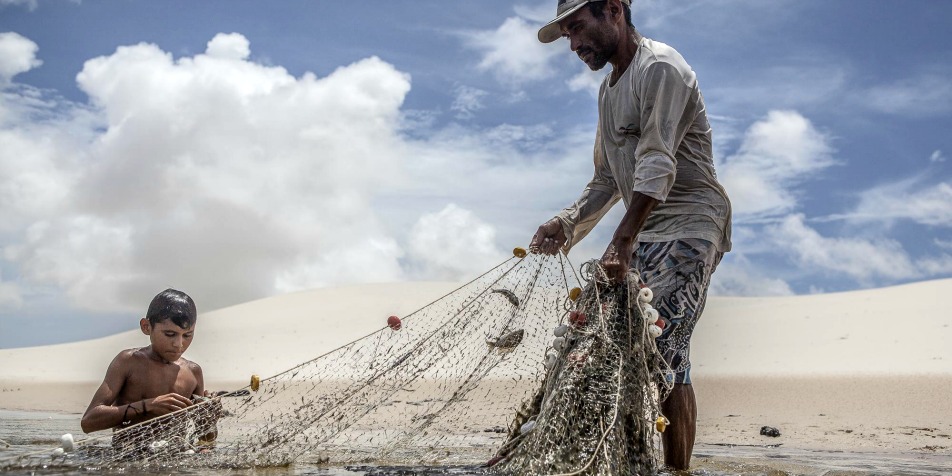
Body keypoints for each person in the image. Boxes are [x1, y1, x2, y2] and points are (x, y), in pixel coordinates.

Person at [530, 0, 732, 470]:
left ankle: (673, 469)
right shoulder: (608, 90)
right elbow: (606, 179)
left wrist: (621, 241)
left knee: (659, 349)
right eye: (567, 37)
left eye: (578, 28)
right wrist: (566, 221)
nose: (575, 44)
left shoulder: (660, 68)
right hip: (642, 229)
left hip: (689, 225)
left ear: (614, 10)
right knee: (592, 345)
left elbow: (658, 161)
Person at [81, 288, 219, 448]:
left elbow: (206, 443)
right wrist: (148, 406)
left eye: (187, 335)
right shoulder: (129, 361)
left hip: (175, 463)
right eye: (169, 334)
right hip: (128, 461)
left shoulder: (193, 373)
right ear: (146, 327)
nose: (179, 344)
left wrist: (210, 417)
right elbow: (88, 422)